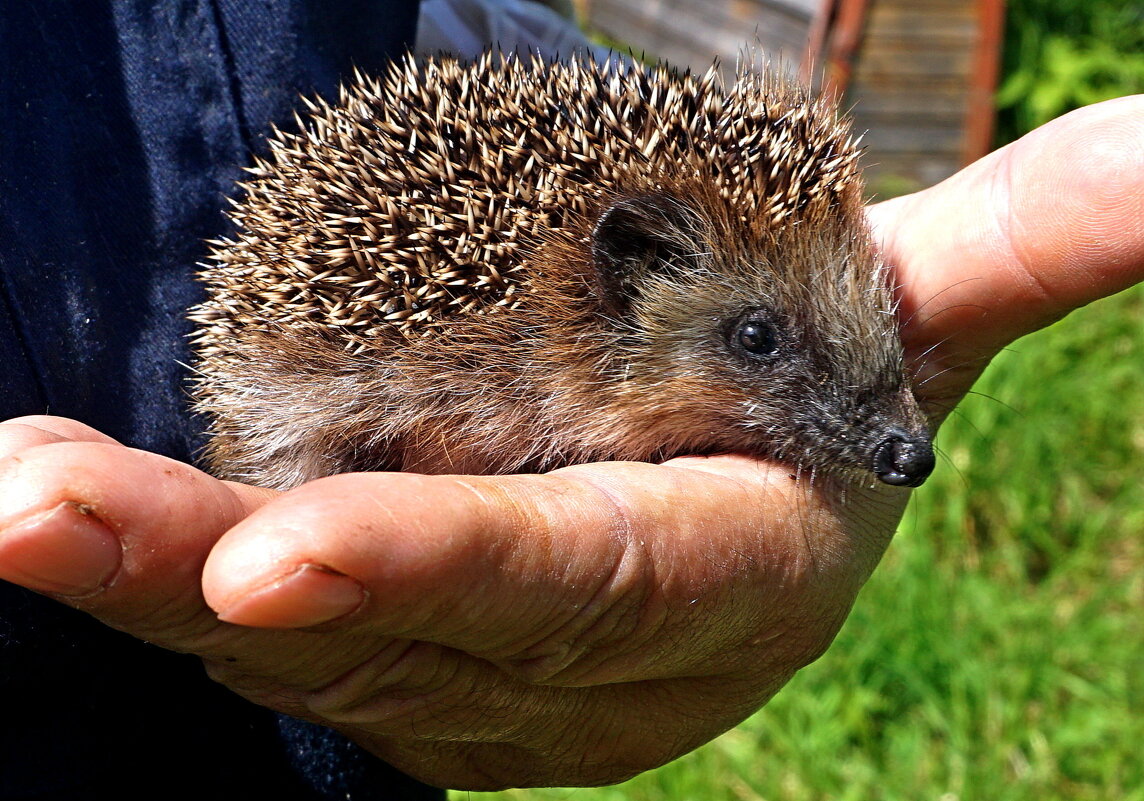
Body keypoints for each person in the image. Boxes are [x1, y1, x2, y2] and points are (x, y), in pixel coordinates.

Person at [2, 3, 1142, 799]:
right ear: (621, 280)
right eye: (757, 342)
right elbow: (274, 403)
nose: (895, 437)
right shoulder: (420, 345)